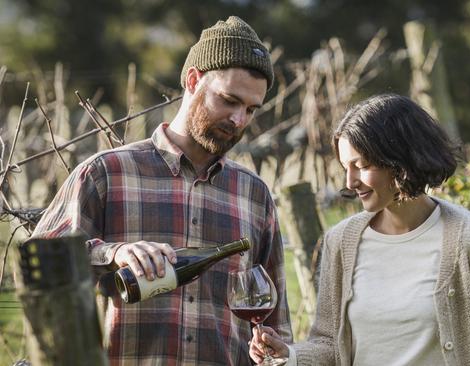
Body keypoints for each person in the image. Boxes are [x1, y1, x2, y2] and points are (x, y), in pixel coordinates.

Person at [31, 15, 293, 365]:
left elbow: (277, 325)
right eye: (229, 100)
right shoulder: (106, 173)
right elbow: (40, 267)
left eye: (250, 109)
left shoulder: (255, 195)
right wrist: (113, 254)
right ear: (192, 79)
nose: (239, 120)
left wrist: (275, 349)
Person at [250, 94, 470, 365]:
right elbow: (330, 344)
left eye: (361, 165)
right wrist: (290, 355)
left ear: (400, 161)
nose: (350, 182)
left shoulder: (468, 240)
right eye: (345, 167)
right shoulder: (341, 242)